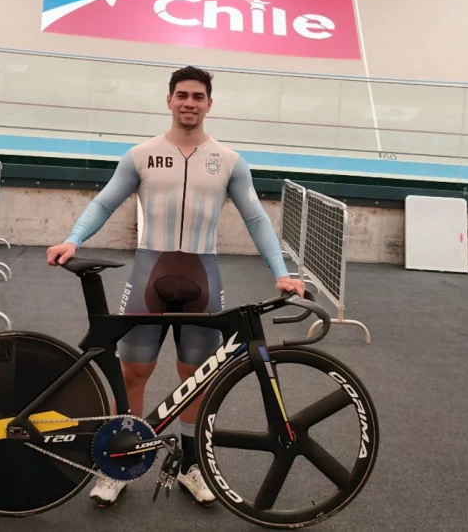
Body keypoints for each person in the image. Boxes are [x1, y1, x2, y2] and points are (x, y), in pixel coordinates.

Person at [46, 65, 306, 508]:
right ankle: (119, 462)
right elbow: (105, 201)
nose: (190, 103)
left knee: (197, 378)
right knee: (133, 372)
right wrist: (73, 239)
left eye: (198, 96)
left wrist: (280, 271)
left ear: (209, 103)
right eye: (182, 95)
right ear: (169, 100)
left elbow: (256, 218)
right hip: (150, 270)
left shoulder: (228, 160)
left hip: (202, 275)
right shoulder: (141, 155)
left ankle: (189, 465)